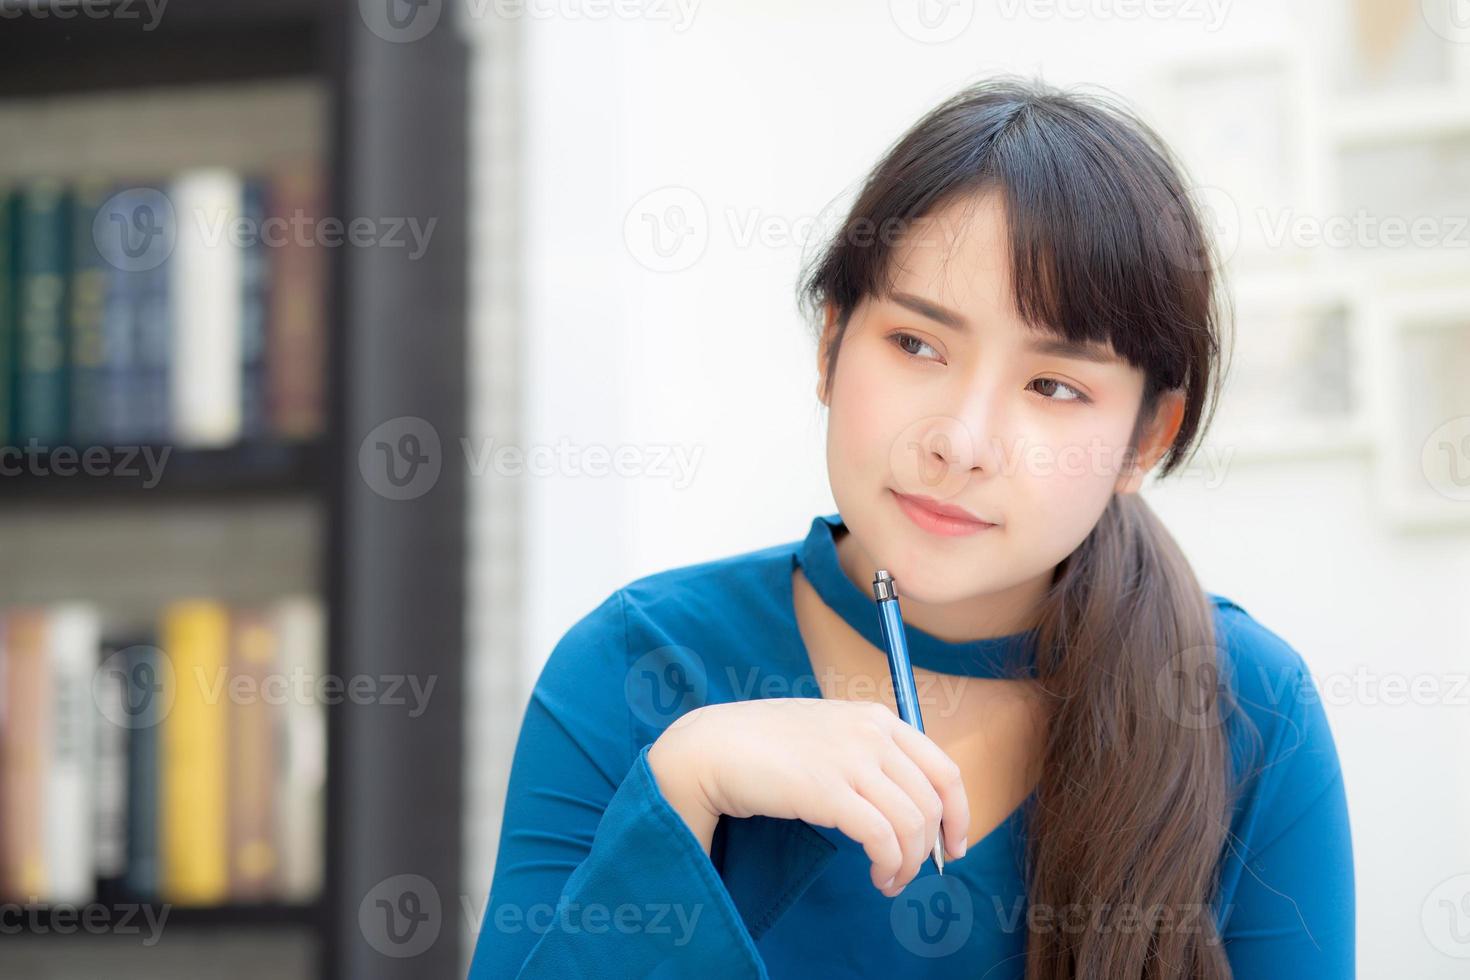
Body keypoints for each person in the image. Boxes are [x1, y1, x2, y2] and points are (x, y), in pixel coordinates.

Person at [466, 75, 1354, 979]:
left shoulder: (1250, 708)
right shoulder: (633, 668)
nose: (961, 442)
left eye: (1053, 386)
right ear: (830, 344)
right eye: (917, 345)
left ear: (1146, 439)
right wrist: (684, 787)